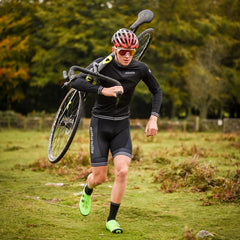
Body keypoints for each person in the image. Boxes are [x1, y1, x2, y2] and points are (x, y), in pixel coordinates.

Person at [71, 28, 162, 234]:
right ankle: (87, 188)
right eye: (123, 52)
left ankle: (111, 220)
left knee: (122, 170)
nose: (128, 55)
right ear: (114, 49)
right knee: (100, 178)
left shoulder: (140, 68)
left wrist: (153, 117)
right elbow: (76, 81)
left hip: (121, 125)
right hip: (100, 123)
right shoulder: (101, 65)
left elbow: (157, 90)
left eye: (131, 51)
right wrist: (102, 90)